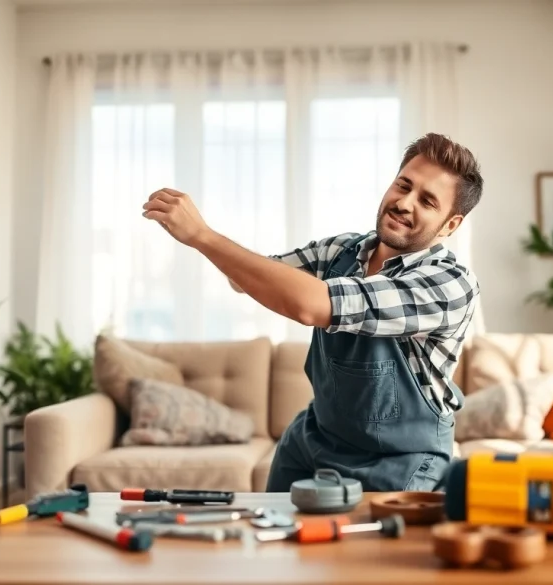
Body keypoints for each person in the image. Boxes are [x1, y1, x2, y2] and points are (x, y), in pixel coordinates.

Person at [141, 132, 483, 493]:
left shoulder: (449, 284)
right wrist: (215, 245)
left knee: (376, 551)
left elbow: (313, 305)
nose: (405, 203)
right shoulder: (339, 252)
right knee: (274, 543)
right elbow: (243, 280)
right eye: (403, 186)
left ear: (450, 225)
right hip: (313, 442)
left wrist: (202, 236)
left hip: (401, 461)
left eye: (427, 201)